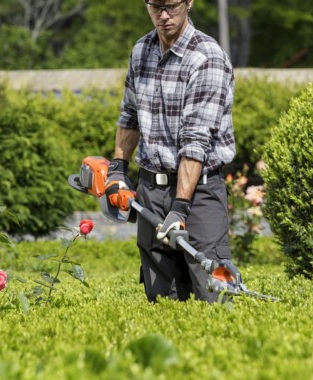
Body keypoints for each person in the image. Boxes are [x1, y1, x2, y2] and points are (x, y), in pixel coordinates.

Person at [106, 0, 236, 303]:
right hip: (152, 190)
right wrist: (117, 170)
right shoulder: (142, 50)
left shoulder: (207, 58)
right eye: (155, 6)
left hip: (199, 195)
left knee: (212, 293)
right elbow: (130, 115)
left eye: (172, 6)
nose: (163, 15)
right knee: (161, 296)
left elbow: (195, 140)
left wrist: (180, 207)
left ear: (189, 3)